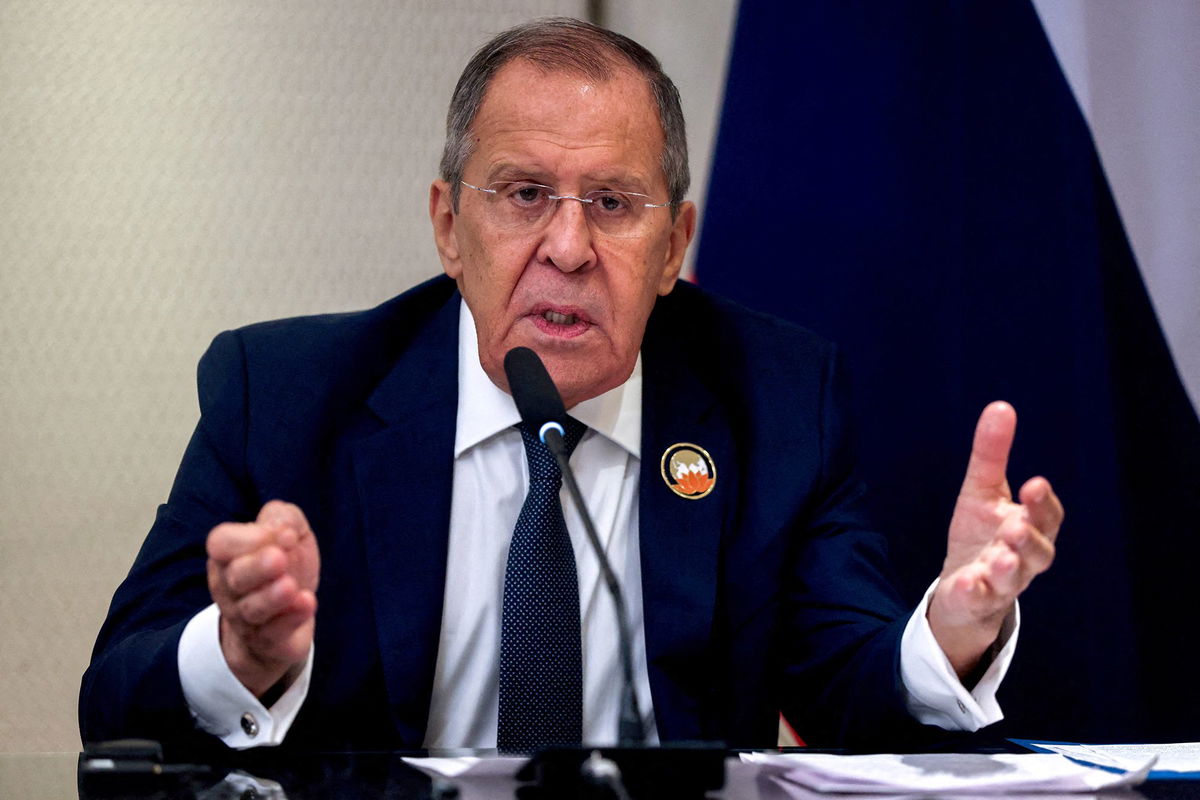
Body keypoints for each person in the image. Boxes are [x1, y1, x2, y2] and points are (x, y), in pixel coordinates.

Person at [80, 18, 1061, 754]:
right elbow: (112, 700)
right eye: (523, 195)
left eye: (613, 203)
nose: (567, 246)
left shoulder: (776, 401)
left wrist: (951, 626)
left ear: (675, 245)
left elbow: (849, 681)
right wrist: (240, 655)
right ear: (447, 226)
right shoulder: (285, 398)